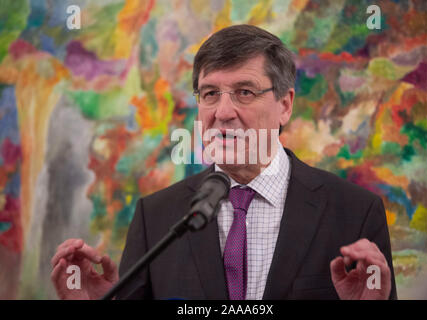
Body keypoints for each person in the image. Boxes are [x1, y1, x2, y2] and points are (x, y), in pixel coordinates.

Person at [51, 24, 397, 300]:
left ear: (285, 105)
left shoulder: (354, 212)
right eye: (210, 94)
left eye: (244, 92)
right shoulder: (156, 217)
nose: (223, 113)